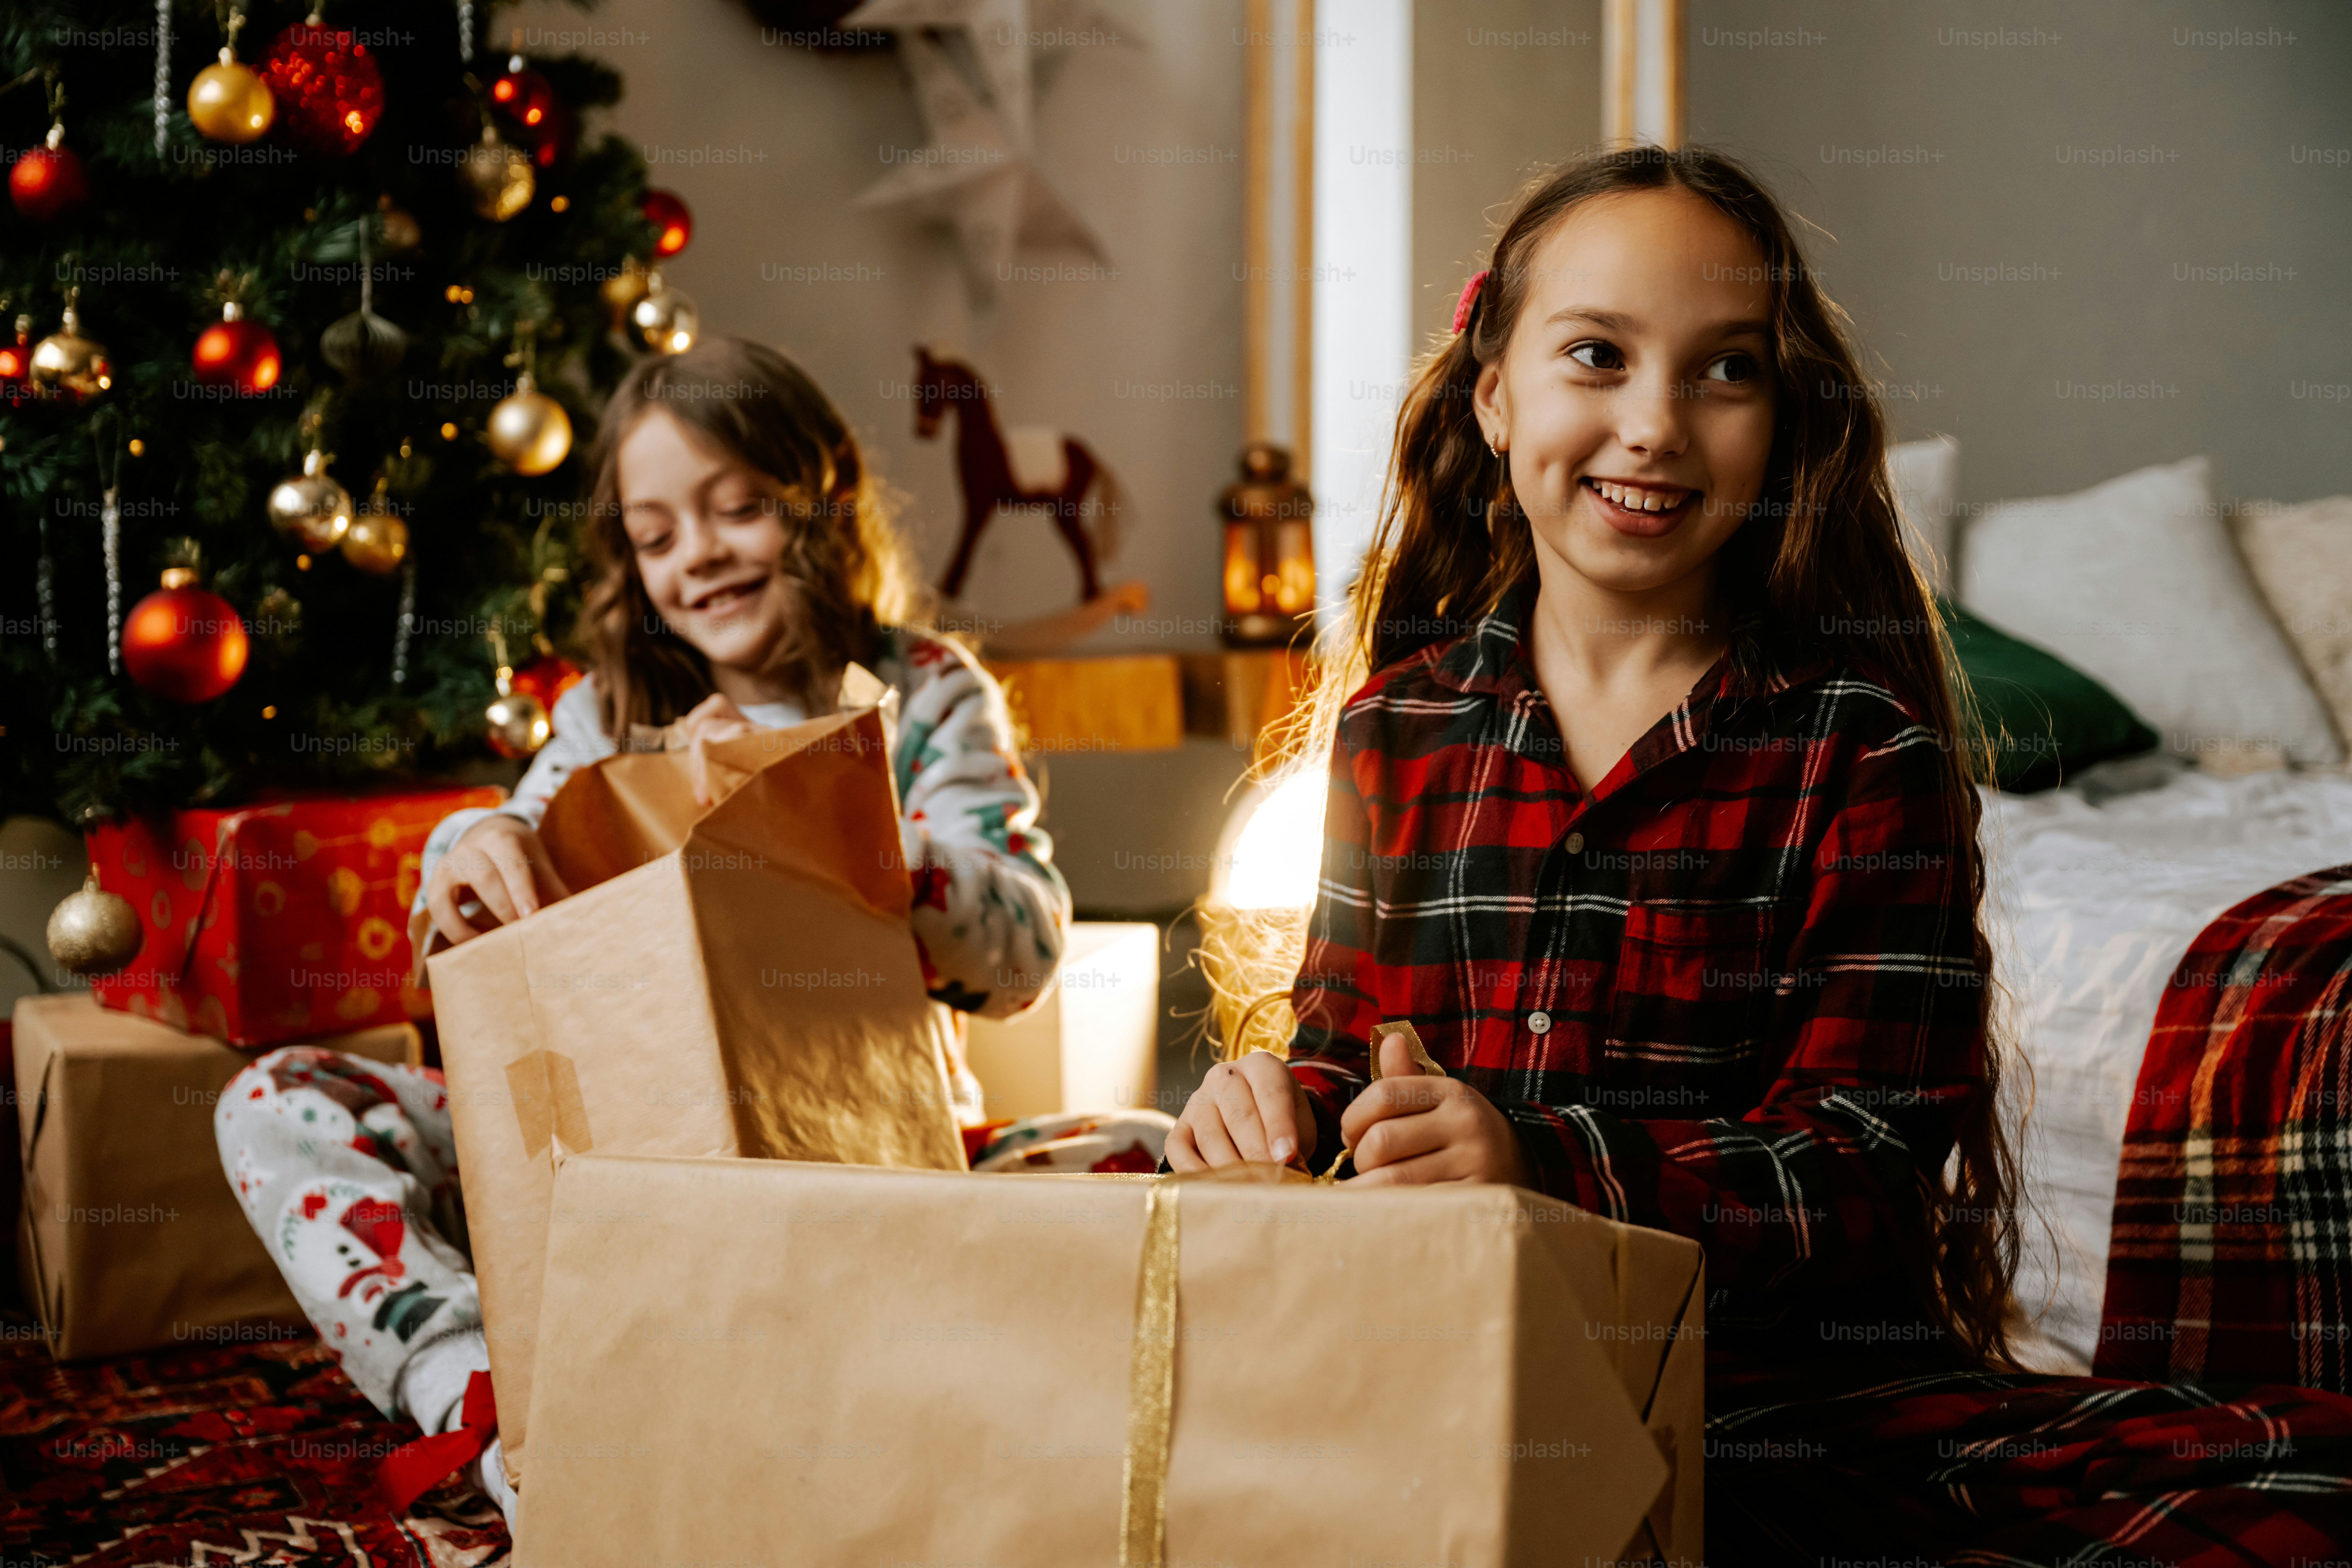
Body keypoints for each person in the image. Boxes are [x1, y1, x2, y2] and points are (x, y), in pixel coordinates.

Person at [1168, 144, 2019, 1370]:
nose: (1655, 425)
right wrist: (1274, 1111)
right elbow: (1343, 1052)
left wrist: (1538, 1169)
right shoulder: (1391, 733)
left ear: (1782, 426)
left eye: (1727, 369)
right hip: (1433, 1379)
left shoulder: (1861, 754)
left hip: (1759, 1416)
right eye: (1598, 355)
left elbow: (1860, 1171)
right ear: (1495, 396)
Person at [214, 338, 1072, 1527]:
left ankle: (829, 1383)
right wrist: (468, 844)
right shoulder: (611, 710)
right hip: (604, 1158)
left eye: (736, 511)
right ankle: (497, 1404)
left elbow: (1024, 947)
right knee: (275, 1102)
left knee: (1140, 1150)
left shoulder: (923, 691)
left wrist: (828, 816)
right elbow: (500, 833)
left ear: (817, 500)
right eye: (657, 535)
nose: (699, 557)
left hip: (858, 1160)